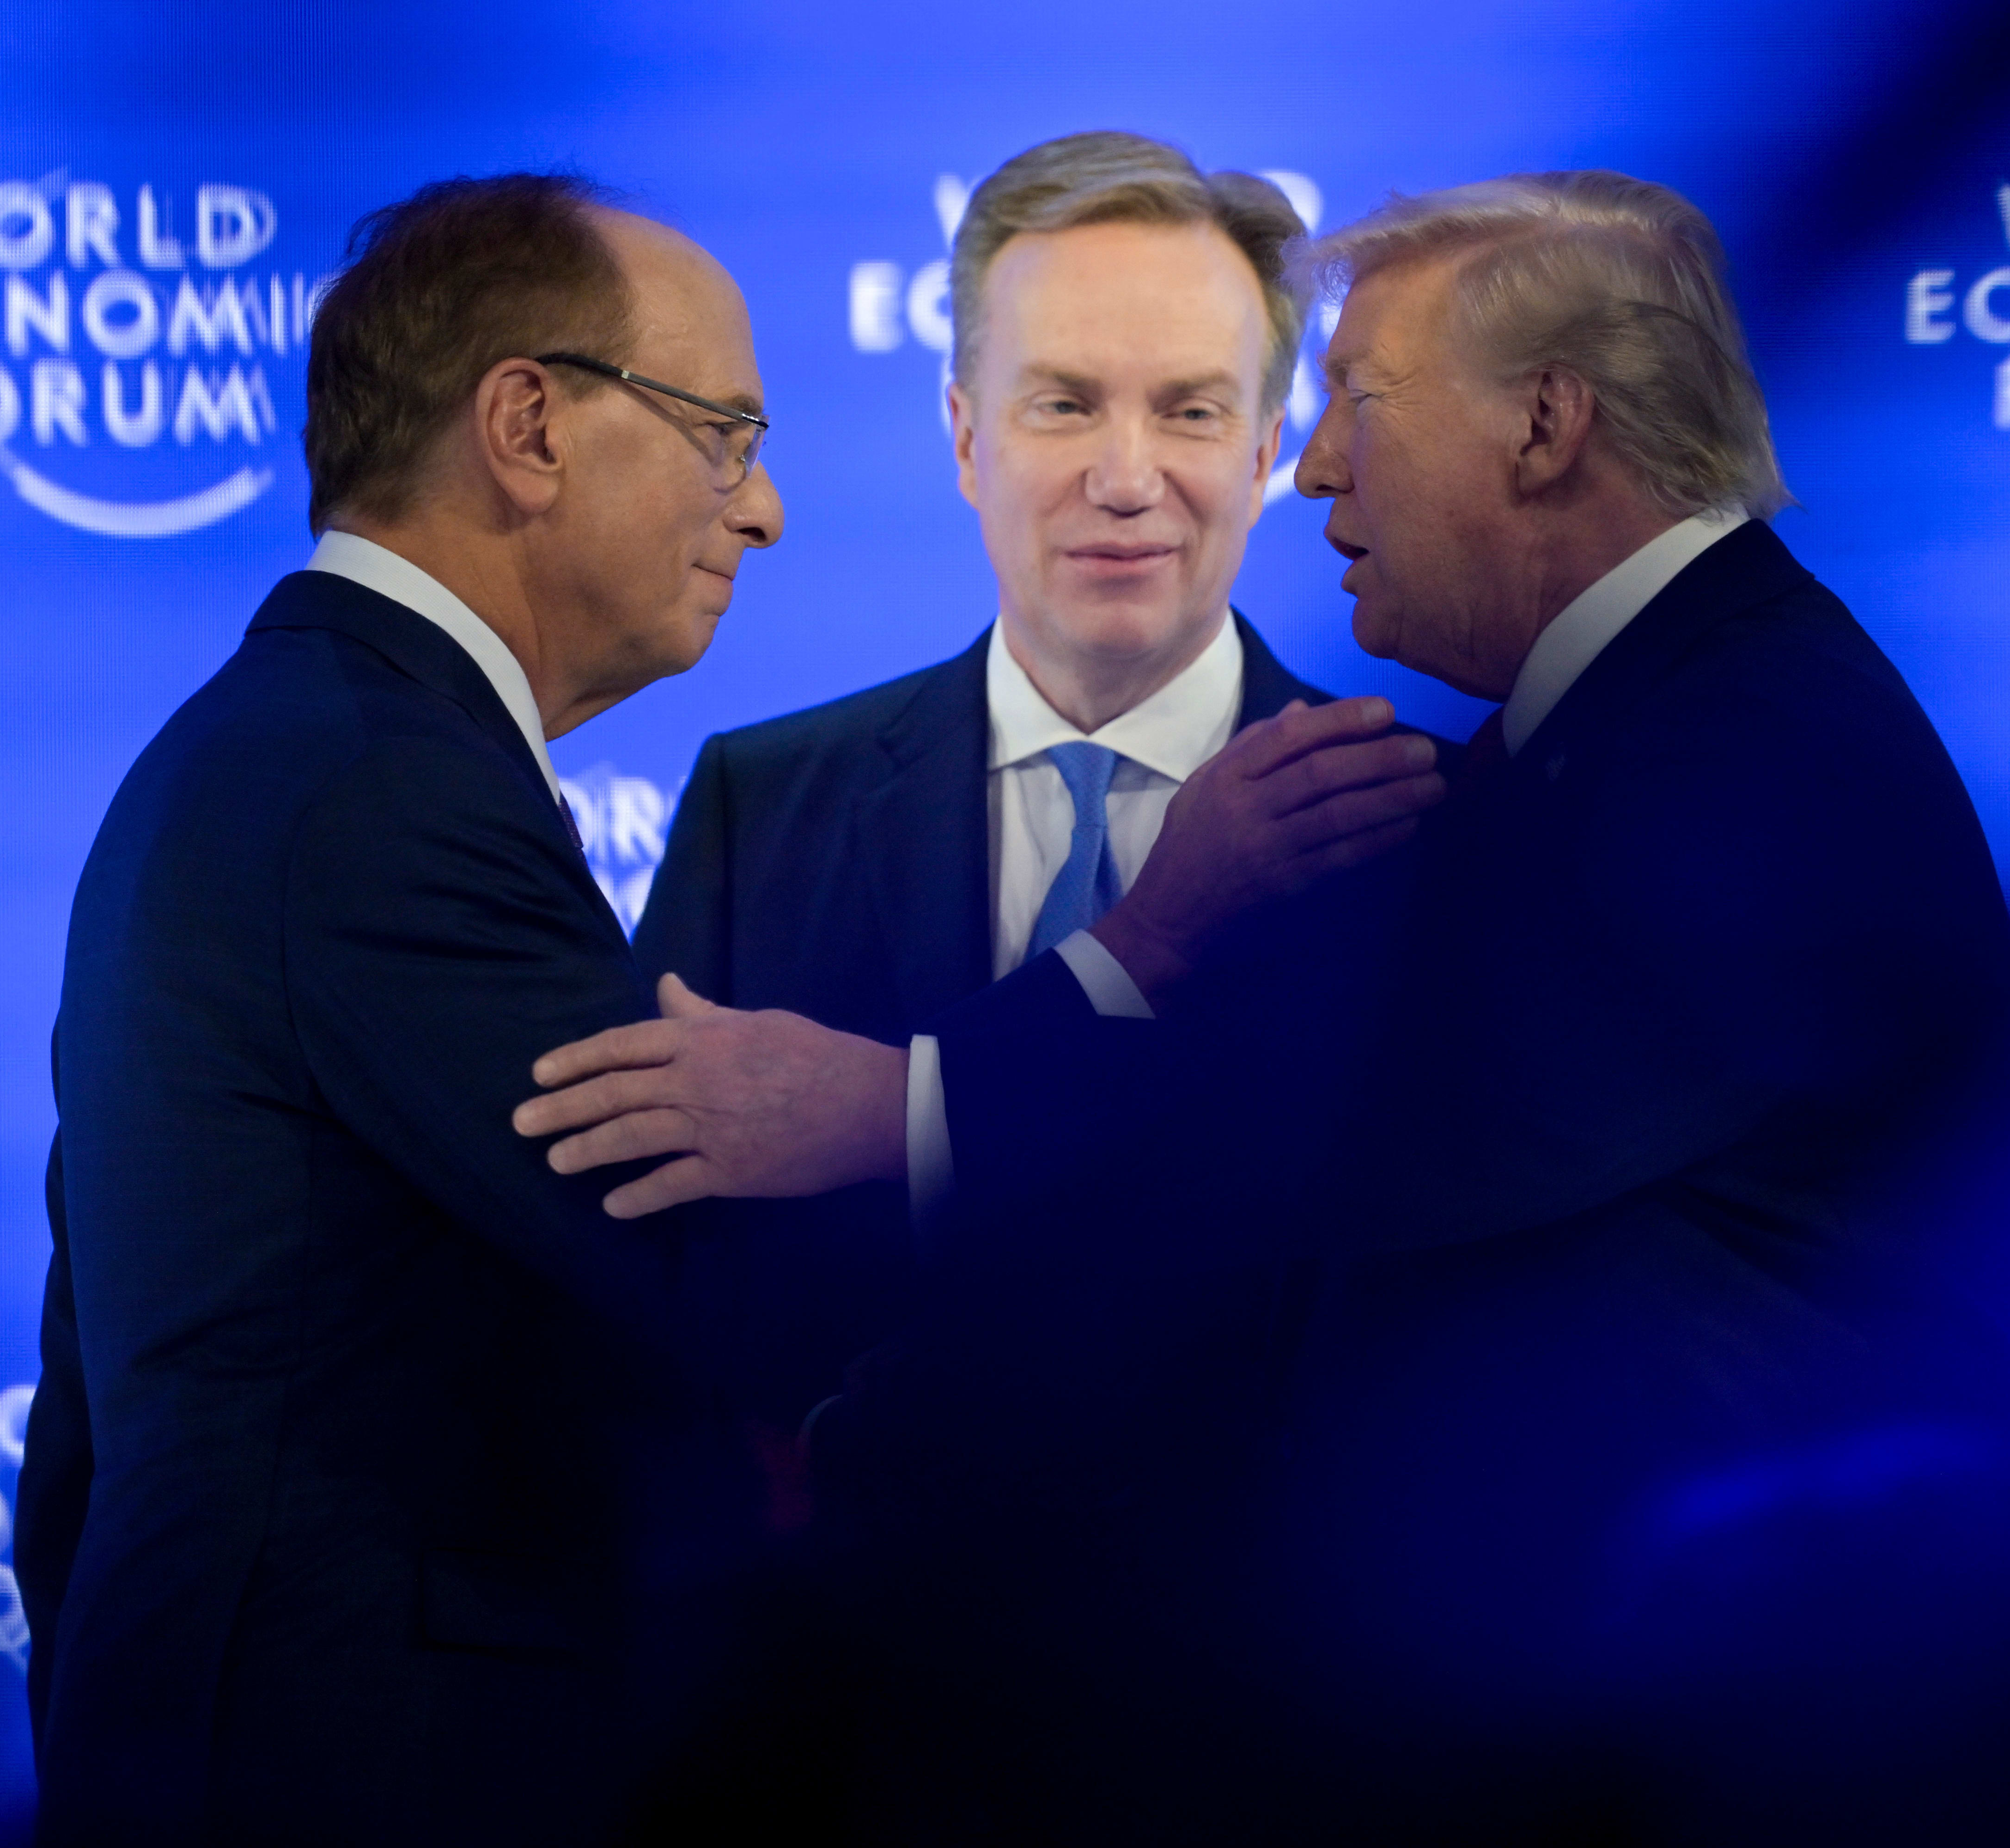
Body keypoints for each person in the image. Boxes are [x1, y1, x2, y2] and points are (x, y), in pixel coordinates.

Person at [519, 168, 2010, 1834]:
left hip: (1759, 1717)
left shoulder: (1732, 751)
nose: (1314, 466)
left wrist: (906, 1100)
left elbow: (1329, 1148)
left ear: (1546, 424)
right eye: (1061, 402)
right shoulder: (1592, 736)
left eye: (1356, 401)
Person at [606, 128, 1444, 1832]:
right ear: (963, 435)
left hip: (1280, 1762)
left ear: (1269, 449)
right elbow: (652, 1296)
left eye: (1190, 411)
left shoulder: (1416, 832)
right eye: (1064, 403)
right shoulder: (766, 804)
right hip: (835, 1752)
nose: (1127, 477)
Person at [14, 173, 783, 1846]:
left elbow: (87, 1423)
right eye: (725, 434)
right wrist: (1046, 1051)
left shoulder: (281, 749)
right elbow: (706, 1277)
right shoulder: (381, 789)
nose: (766, 508)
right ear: (529, 427)